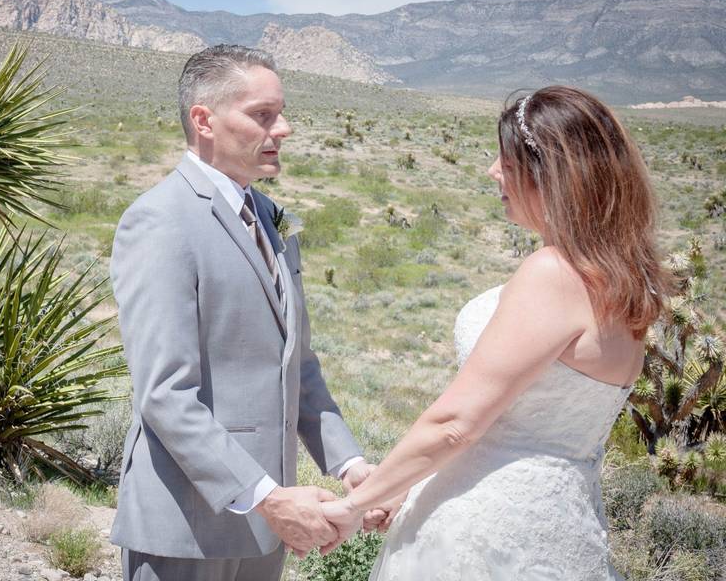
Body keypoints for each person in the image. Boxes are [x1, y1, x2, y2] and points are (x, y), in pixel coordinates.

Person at [322, 86, 670, 580]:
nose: (492, 171)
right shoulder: (622, 283)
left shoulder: (553, 273)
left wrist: (354, 505)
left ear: (550, 173)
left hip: (485, 533)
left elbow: (457, 423)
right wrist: (402, 485)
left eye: (506, 160)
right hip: (560, 525)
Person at [109, 44, 373, 581]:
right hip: (185, 529)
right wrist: (267, 498)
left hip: (262, 534)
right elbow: (164, 394)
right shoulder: (160, 222)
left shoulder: (267, 217)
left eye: (281, 113)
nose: (285, 129)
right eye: (263, 115)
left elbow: (297, 366)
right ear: (203, 120)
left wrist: (350, 465)